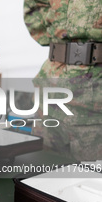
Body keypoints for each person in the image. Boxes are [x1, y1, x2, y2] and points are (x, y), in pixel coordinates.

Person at [24, 0, 102, 161]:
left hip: (94, 98)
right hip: (51, 86)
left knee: (90, 178)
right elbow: (33, 10)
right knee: (41, 171)